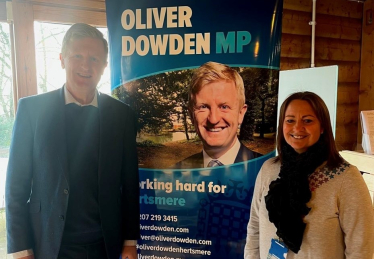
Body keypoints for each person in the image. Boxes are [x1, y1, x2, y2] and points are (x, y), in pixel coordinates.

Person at [5, 23, 139, 259]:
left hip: (105, 244)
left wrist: (130, 242)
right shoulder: (31, 110)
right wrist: (20, 249)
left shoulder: (122, 116)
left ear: (105, 66)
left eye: (94, 59)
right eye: (77, 56)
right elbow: (16, 187)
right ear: (62, 59)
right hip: (49, 244)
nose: (86, 66)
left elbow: (129, 185)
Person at [244, 91, 374, 258]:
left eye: (307, 120)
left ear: (322, 127)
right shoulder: (269, 169)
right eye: (290, 120)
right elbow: (254, 227)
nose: (297, 128)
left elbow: (360, 249)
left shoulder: (346, 178)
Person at [171, 61, 261, 169]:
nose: (213, 119)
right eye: (203, 107)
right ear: (191, 114)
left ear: (241, 113)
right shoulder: (174, 174)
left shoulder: (266, 171)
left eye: (224, 107)